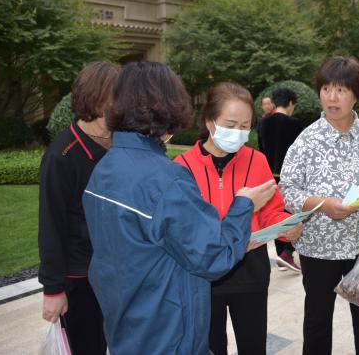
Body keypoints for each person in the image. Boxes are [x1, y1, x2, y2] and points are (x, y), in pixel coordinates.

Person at [82, 62, 276, 355]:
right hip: (167, 331)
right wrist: (244, 205)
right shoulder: (166, 180)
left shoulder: (104, 169)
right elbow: (213, 256)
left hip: (127, 324)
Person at [279, 56, 359, 355]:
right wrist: (322, 205)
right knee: (318, 321)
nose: (332, 97)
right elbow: (288, 189)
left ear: (355, 95)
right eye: (326, 89)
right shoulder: (306, 140)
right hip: (319, 247)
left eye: (341, 90)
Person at [174, 82, 302, 355]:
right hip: (204, 275)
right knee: (210, 347)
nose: (238, 133)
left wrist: (286, 227)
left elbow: (271, 211)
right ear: (209, 121)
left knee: (253, 345)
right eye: (230, 125)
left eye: (245, 126)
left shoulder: (257, 161)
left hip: (250, 268)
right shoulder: (182, 167)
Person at [38, 61, 120, 355]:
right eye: (114, 99)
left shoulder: (121, 144)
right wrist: (53, 289)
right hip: (81, 279)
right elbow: (51, 225)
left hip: (121, 270)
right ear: (93, 99)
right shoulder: (62, 156)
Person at [258, 87, 304, 272]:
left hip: (268, 176)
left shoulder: (263, 123)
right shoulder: (295, 124)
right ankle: (287, 252)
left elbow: (261, 148)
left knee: (276, 213)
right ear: (291, 103)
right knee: (293, 213)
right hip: (289, 177)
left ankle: (282, 256)